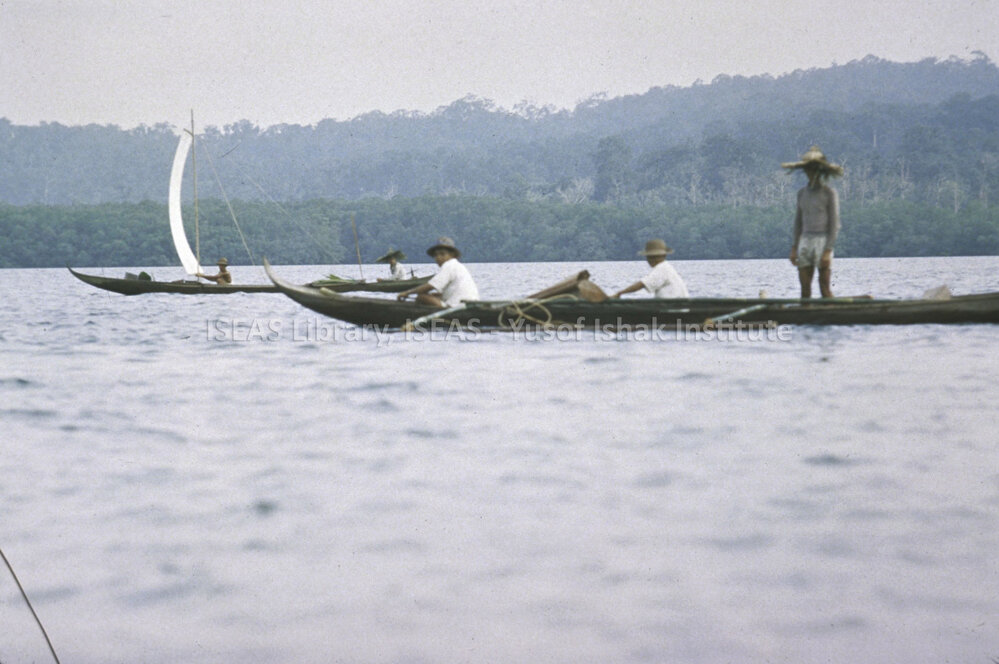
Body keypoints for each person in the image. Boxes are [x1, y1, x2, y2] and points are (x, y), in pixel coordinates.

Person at [782, 146, 844, 298]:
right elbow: (798, 223)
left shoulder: (829, 193)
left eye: (815, 169)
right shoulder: (802, 193)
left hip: (822, 241)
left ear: (821, 171)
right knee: (805, 288)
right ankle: (806, 312)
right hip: (805, 240)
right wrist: (794, 248)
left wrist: (828, 250)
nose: (811, 172)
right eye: (809, 169)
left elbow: (834, 224)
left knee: (824, 286)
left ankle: (829, 315)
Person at [397, 237, 479, 308]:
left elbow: (430, 286)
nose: (438, 257)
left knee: (421, 297)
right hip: (470, 303)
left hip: (459, 307)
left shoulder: (449, 265)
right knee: (434, 295)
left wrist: (407, 293)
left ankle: (442, 310)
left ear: (452, 255)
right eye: (436, 255)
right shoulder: (458, 266)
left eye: (442, 254)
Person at [612, 239, 689, 299]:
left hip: (673, 311)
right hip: (675, 307)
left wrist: (620, 293)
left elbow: (642, 284)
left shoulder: (662, 268)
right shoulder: (666, 267)